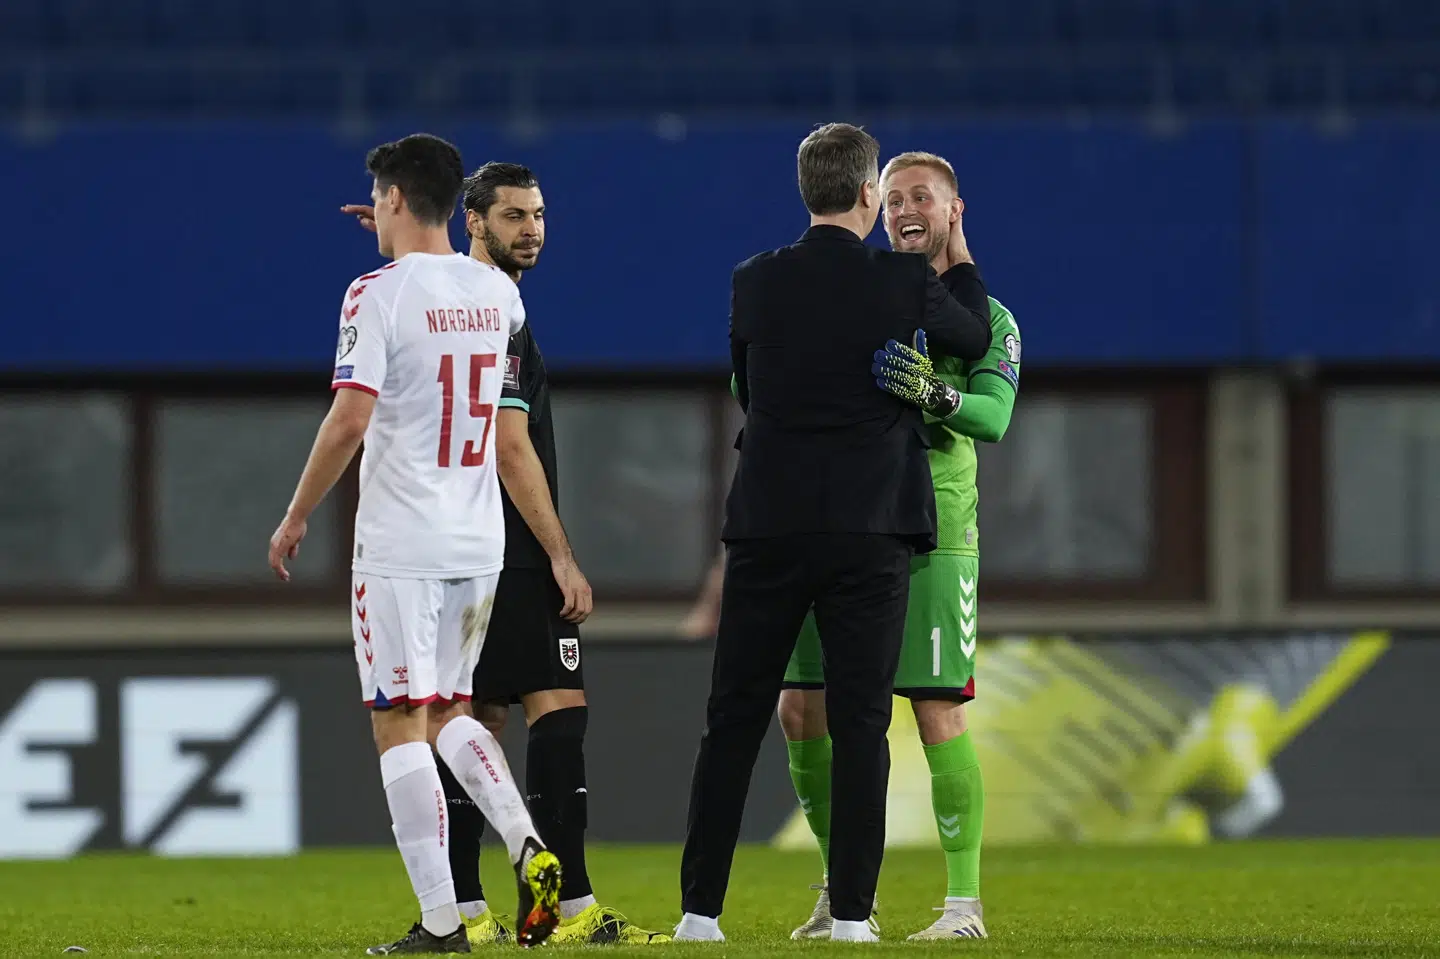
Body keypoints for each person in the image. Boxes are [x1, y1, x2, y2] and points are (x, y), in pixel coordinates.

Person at [675, 123, 994, 943]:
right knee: (861, 725)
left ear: (804, 191)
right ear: (865, 196)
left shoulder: (754, 279)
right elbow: (974, 334)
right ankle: (854, 916)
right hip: (870, 528)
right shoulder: (898, 280)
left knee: (734, 719)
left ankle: (699, 914)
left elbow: (746, 380)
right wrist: (954, 243)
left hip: (768, 523)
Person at [342, 163, 666, 946]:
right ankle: (551, 903)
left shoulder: (441, 293)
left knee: (467, 718)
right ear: (472, 222)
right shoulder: (495, 308)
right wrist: (560, 552)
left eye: (541, 215)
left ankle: (470, 908)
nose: (534, 230)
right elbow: (510, 445)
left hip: (450, 547)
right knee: (527, 715)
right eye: (516, 216)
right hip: (496, 548)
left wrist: (401, 234)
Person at [270, 134, 562, 955]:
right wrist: (407, 230)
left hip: (400, 543)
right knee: (453, 711)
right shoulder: (498, 293)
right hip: (477, 542)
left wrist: (295, 514)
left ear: (392, 199)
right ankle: (527, 842)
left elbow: (351, 418)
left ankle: (441, 920)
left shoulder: (374, 293)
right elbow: (500, 411)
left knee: (399, 724)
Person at [781, 151, 1021, 941]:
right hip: (846, 522)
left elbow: (991, 418)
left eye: (922, 197)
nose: (905, 211)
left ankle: (964, 905)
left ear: (956, 209)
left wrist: (932, 391)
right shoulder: (874, 302)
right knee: (801, 707)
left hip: (936, 534)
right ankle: (840, 890)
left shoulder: (992, 318)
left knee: (935, 709)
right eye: (892, 202)